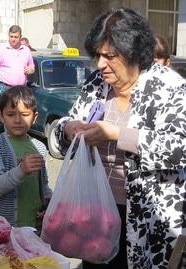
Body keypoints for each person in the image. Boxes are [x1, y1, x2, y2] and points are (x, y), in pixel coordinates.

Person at [54, 8, 185, 268]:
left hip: (148, 220)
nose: (100, 64)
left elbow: (178, 148)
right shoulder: (95, 83)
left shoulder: (169, 87)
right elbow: (64, 125)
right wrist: (68, 128)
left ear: (133, 53)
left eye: (110, 56)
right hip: (94, 212)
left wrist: (116, 134)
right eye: (98, 55)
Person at [0, 86, 51, 229]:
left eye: (24, 114)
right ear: (1, 116)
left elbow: (43, 184)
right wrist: (22, 170)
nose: (17, 120)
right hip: (6, 227)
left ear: (35, 117)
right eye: (10, 114)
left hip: (35, 225)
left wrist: (49, 204)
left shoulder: (39, 147)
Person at [0, 25, 35, 92]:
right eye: (11, 36)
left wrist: (31, 70)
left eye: (16, 37)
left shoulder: (26, 50)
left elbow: (32, 67)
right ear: (8, 36)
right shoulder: (0, 49)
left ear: (20, 37)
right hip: (4, 88)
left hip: (21, 89)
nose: (13, 39)